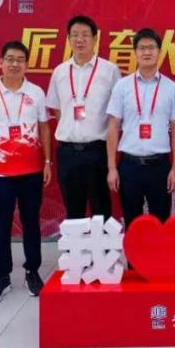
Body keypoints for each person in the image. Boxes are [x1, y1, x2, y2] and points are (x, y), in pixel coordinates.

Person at [0, 41, 52, 305]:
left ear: (26, 64)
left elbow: (44, 128)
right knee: (2, 224)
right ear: (1, 63)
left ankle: (32, 271)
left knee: (31, 222)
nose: (15, 64)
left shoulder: (36, 92)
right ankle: (1, 276)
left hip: (32, 170)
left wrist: (48, 162)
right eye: (10, 59)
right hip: (0, 172)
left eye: (20, 60)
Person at [106, 29, 175, 228]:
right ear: (135, 52)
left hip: (160, 167)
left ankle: (158, 252)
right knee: (133, 224)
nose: (147, 52)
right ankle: (134, 252)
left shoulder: (171, 88)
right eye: (142, 48)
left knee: (161, 224)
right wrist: (112, 168)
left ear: (159, 51)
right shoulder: (122, 86)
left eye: (151, 47)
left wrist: (174, 169)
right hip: (129, 166)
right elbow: (113, 127)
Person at [45, 15, 120, 220]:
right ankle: (74, 243)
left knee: (101, 211)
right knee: (73, 211)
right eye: (75, 35)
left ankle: (101, 243)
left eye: (85, 35)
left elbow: (116, 114)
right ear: (68, 39)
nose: (80, 40)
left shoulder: (110, 71)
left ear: (95, 39)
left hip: (97, 151)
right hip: (68, 153)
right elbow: (58, 111)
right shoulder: (59, 72)